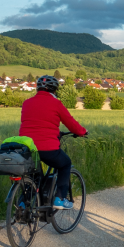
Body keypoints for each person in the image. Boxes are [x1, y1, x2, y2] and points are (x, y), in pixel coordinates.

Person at [17, 75, 88, 208]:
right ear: (54, 90)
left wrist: (54, 132)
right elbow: (71, 123)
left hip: (25, 147)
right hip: (47, 148)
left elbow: (33, 124)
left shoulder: (27, 103)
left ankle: (22, 204)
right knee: (65, 164)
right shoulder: (56, 103)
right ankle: (60, 198)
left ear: (38, 89)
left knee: (35, 177)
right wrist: (82, 132)